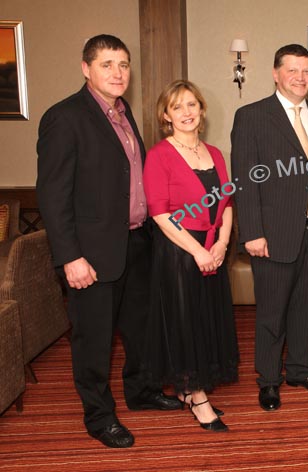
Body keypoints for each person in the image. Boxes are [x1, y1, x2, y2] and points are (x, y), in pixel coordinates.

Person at [36, 34, 181, 449]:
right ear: (86, 68)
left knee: (141, 330)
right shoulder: (64, 117)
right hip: (92, 254)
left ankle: (141, 391)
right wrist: (70, 257)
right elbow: (52, 194)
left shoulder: (124, 111)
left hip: (137, 244)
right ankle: (99, 417)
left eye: (124, 64)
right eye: (107, 64)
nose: (118, 73)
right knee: (94, 340)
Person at [231, 44, 308, 411]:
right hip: (272, 235)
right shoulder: (252, 116)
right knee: (272, 313)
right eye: (292, 70)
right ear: (275, 74)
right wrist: (252, 233)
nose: (300, 77)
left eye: (306, 71)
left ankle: (301, 370)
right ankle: (270, 380)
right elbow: (245, 180)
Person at [142, 80, 239, 433]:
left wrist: (221, 245)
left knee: (204, 320)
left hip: (213, 248)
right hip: (179, 251)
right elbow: (160, 214)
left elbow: (227, 201)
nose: (186, 112)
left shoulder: (214, 153)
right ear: (166, 115)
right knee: (184, 323)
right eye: (177, 107)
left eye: (191, 105)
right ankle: (197, 397)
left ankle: (191, 390)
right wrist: (198, 250)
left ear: (201, 109)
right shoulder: (159, 155)